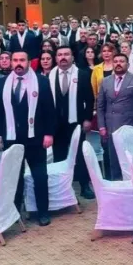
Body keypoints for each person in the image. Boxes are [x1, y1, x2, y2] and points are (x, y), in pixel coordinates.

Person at [0, 51, 57, 226]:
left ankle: (43, 212)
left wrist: (49, 134)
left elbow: (49, 109)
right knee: (14, 177)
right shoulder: (3, 82)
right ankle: (15, 212)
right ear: (10, 62)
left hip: (35, 137)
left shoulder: (41, 81)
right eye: (15, 60)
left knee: (40, 176)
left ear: (29, 62)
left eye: (22, 60)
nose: (18, 63)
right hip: (11, 138)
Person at [48, 47, 95, 199]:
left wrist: (87, 119)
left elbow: (89, 99)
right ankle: (62, 189)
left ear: (72, 57)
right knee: (59, 156)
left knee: (80, 155)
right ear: (56, 58)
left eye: (66, 54)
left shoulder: (82, 74)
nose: (63, 57)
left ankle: (84, 186)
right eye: (60, 55)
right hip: (56, 124)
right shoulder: (50, 75)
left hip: (77, 122)